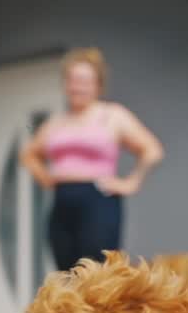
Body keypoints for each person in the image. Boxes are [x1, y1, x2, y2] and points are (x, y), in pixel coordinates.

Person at [21, 48, 164, 271]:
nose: (78, 86)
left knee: (97, 274)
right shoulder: (56, 122)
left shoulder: (112, 115)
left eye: (85, 81)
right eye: (73, 80)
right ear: (66, 84)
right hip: (62, 204)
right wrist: (47, 179)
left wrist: (131, 182)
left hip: (98, 202)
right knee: (67, 274)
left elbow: (152, 149)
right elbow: (28, 154)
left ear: (98, 84)